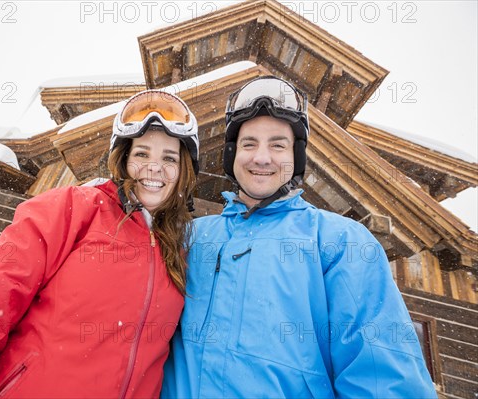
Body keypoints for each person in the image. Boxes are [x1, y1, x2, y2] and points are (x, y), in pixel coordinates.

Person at [0, 90, 199, 398]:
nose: (154, 167)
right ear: (123, 158)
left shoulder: (179, 250)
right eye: (142, 153)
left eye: (169, 157)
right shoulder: (73, 210)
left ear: (182, 171)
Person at [162, 76, 437, 398]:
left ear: (298, 156)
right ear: (232, 154)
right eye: (249, 144)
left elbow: (383, 378)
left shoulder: (340, 242)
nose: (261, 158)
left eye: (277, 145)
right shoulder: (191, 237)